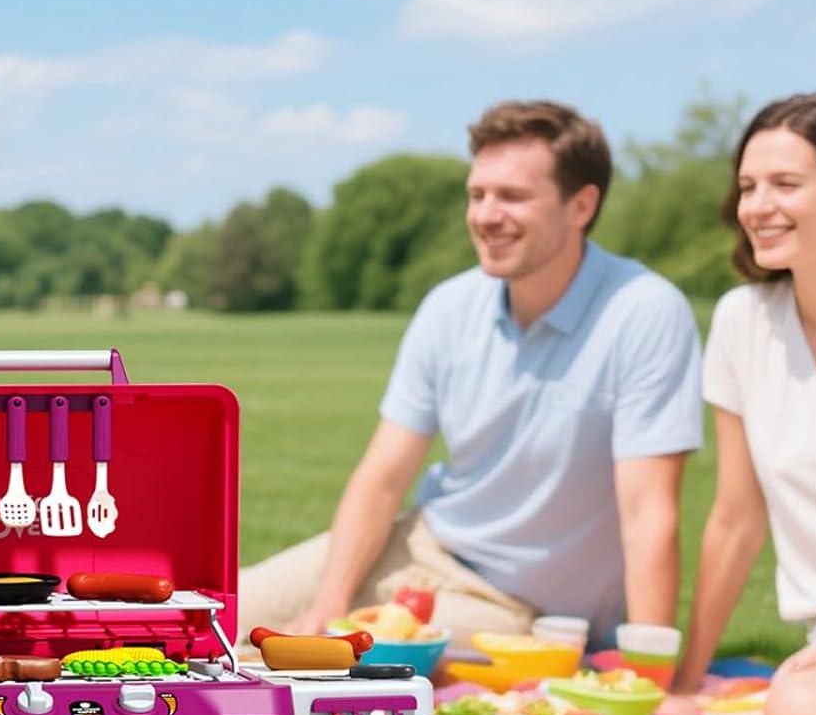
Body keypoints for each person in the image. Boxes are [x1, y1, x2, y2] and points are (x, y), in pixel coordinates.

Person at [238, 100, 703, 649]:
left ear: (581, 206)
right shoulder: (449, 306)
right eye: (477, 194)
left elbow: (649, 513)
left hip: (525, 610)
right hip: (420, 546)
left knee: (332, 654)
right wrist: (330, 601)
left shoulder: (645, 312)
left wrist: (648, 670)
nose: (485, 215)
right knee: (213, 615)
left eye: (512, 196)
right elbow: (383, 477)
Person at [669, 93, 816, 715]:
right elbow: (735, 518)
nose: (757, 206)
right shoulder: (743, 323)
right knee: (798, 706)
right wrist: (688, 679)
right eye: (748, 186)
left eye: (786, 184)